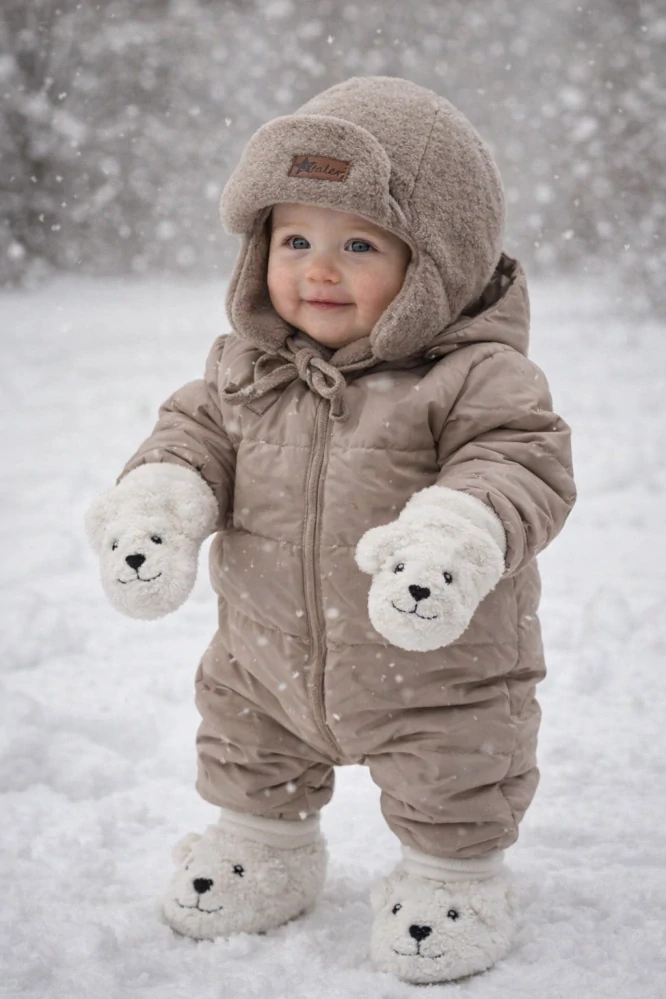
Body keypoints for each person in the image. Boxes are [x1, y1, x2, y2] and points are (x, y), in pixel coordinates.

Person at [85, 76, 576, 984]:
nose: (318, 269)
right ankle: (263, 844)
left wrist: (453, 533)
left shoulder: (476, 377)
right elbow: (191, 435)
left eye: (358, 244)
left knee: (455, 768)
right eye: (295, 240)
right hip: (266, 655)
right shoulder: (247, 368)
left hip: (437, 666)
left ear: (435, 261)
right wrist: (161, 503)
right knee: (246, 736)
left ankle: (453, 878)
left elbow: (518, 464)